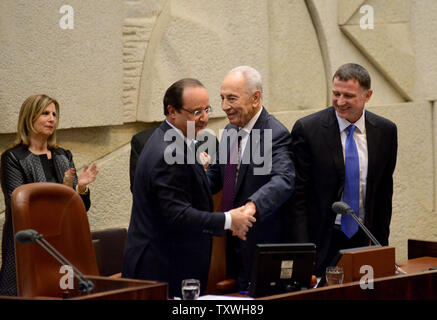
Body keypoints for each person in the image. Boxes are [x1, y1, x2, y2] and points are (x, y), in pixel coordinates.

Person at [122, 78, 256, 298]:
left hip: (170, 264)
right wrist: (230, 220)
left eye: (207, 109)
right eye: (196, 112)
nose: (204, 118)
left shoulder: (170, 139)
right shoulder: (170, 153)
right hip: (161, 270)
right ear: (172, 111)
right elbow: (177, 215)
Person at [290, 63, 398, 276]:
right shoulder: (308, 129)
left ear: (367, 96)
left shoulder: (385, 131)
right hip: (322, 238)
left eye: (348, 96)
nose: (340, 102)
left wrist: (381, 247)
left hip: (363, 235)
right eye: (336, 93)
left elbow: (385, 192)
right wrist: (304, 251)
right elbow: (297, 197)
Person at [206, 66, 298, 291]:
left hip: (258, 242)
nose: (224, 106)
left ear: (255, 98)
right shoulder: (229, 131)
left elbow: (283, 180)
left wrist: (251, 206)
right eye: (222, 98)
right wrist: (193, 174)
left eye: (232, 98)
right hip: (228, 240)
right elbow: (215, 179)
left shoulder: (274, 133)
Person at [0, 94, 99, 296]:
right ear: (29, 117)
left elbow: (81, 208)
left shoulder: (64, 155)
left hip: (62, 242)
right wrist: (63, 191)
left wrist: (79, 188)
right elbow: (18, 206)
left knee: (63, 292)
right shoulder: (13, 158)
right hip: (28, 242)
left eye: (54, 114)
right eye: (45, 113)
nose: (52, 118)